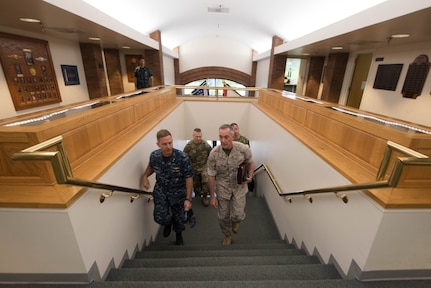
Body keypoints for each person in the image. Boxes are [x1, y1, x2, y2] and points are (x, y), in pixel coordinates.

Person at [141, 129, 193, 245]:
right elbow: (151, 167)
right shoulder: (155, 156)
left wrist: (188, 199)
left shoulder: (182, 157)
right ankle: (168, 222)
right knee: (160, 218)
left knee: (180, 219)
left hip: (178, 192)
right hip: (161, 191)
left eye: (170, 143)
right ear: (158, 144)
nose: (169, 146)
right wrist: (145, 176)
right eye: (164, 144)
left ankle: (178, 235)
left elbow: (189, 178)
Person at [207, 124, 254, 246]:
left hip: (239, 186)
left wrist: (250, 175)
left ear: (233, 136)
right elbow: (211, 175)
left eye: (226, 137)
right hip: (222, 187)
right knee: (223, 216)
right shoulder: (213, 154)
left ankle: (235, 221)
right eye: (220, 137)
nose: (223, 140)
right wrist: (212, 196)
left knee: (238, 215)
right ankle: (227, 235)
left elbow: (250, 161)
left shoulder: (243, 149)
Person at [183, 128, 213, 207]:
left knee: (205, 181)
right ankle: (197, 195)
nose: (199, 138)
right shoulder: (189, 146)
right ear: (193, 136)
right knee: (196, 184)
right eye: (197, 136)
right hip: (193, 167)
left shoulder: (205, 145)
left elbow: (212, 154)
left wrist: (210, 165)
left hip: (204, 167)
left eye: (200, 136)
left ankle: (205, 196)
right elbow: (184, 157)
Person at [231, 123, 254, 192]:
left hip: (243, 164)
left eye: (236, 129)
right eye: (233, 129)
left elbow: (248, 155)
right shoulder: (230, 141)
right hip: (232, 164)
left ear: (238, 129)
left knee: (241, 182)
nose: (235, 131)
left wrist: (249, 172)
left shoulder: (245, 141)